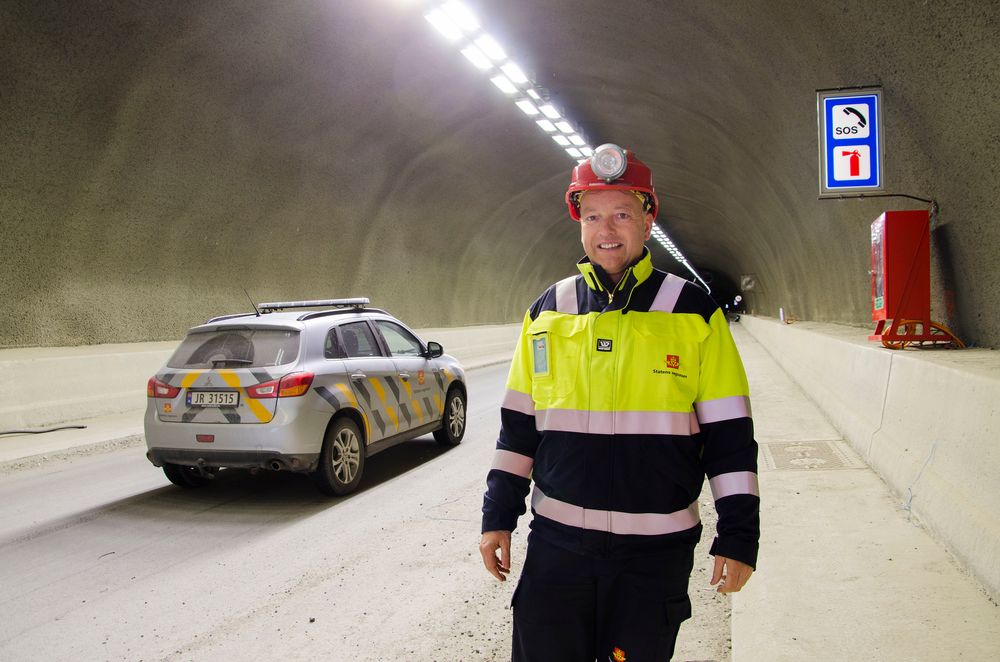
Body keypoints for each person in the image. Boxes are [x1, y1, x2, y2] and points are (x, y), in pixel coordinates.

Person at [479, 144, 759, 661]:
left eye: (622, 214)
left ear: (649, 220)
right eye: (593, 216)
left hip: (653, 559)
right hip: (557, 551)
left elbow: (730, 437)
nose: (606, 229)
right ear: (579, 224)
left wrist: (739, 534)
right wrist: (498, 515)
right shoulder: (547, 312)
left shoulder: (693, 313)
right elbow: (518, 428)